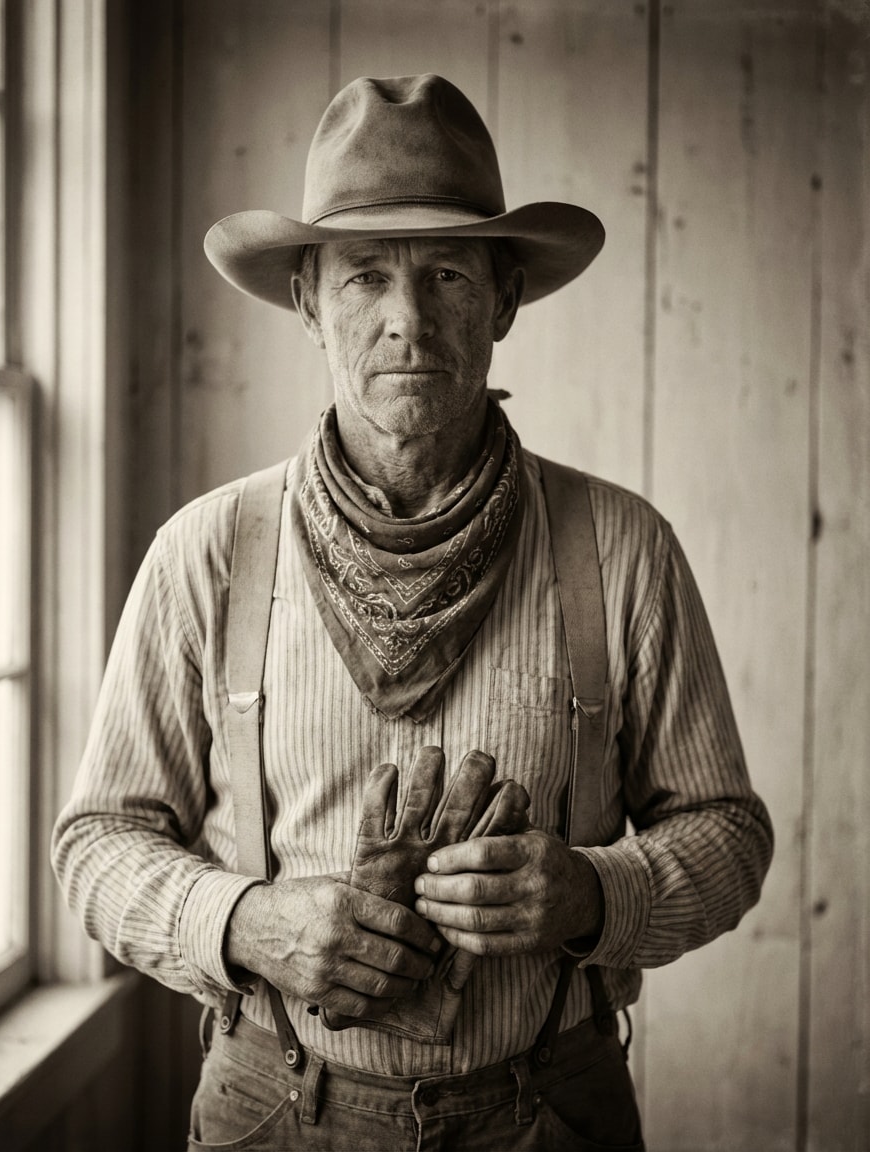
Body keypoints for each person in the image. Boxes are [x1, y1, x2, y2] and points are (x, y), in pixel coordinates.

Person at [52, 74, 773, 1151]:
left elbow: (728, 836)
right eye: (363, 278)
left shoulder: (621, 549)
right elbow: (96, 844)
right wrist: (246, 922)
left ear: (504, 300)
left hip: (550, 1110)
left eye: (445, 274)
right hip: (271, 1110)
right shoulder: (205, 554)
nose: (408, 321)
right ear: (305, 300)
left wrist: (589, 895)